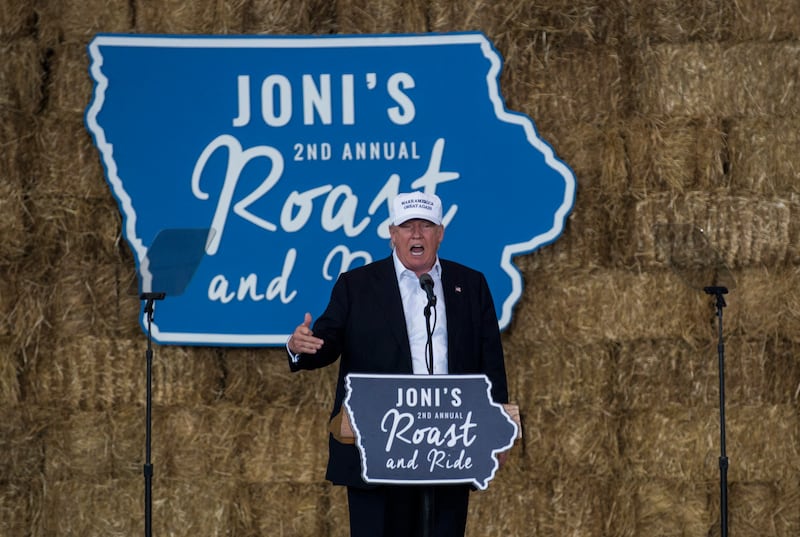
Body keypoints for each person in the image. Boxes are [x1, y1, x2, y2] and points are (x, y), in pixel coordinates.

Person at [287, 191, 509, 537]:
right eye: (407, 226)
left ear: (440, 233)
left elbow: (490, 362)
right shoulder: (356, 285)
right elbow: (327, 343)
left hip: (447, 445)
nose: (416, 234)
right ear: (393, 233)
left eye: (426, 226)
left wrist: (497, 431)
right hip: (377, 448)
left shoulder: (471, 284)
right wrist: (301, 347)